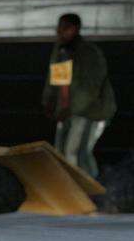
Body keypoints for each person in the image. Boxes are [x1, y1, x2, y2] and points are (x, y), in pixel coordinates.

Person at [42, 12, 116, 178]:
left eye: (65, 28)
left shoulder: (88, 53)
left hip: (89, 111)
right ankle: (70, 187)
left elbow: (91, 87)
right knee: (61, 152)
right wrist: (50, 102)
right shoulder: (62, 51)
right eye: (59, 28)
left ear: (75, 29)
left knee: (76, 152)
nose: (60, 32)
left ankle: (90, 187)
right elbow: (57, 80)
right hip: (68, 110)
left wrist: (69, 108)